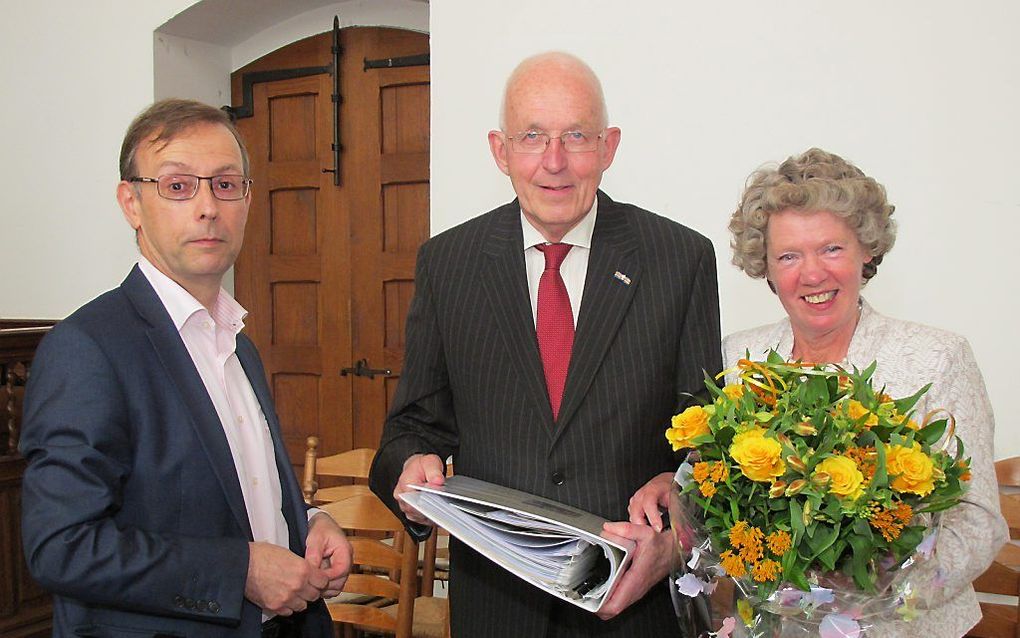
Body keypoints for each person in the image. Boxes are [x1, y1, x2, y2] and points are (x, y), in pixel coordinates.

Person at [368, 51, 722, 637]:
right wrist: (410, 468)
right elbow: (410, 428)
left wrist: (677, 518)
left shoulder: (679, 259)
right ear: (499, 149)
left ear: (608, 147)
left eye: (576, 136)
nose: (554, 162)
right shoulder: (448, 263)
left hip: (634, 608)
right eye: (532, 136)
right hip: (496, 610)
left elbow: (710, 442)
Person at [629, 147, 1006, 636]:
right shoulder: (737, 359)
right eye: (789, 255)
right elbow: (708, 499)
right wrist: (674, 490)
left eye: (831, 248)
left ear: (866, 249)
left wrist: (865, 589)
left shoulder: (938, 357)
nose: (812, 274)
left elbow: (976, 522)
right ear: (764, 267)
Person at [20, 99, 352, 638]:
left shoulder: (238, 340)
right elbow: (61, 546)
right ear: (131, 202)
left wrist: (307, 522)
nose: (207, 207)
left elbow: (228, 488)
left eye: (225, 184)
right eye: (178, 186)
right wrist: (239, 570)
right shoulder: (88, 348)